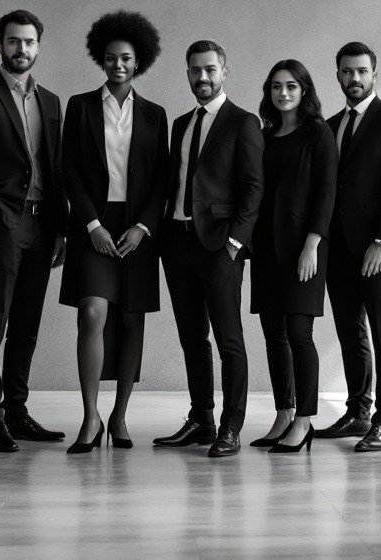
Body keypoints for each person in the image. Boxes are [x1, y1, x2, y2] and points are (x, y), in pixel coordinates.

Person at [59, 11, 170, 454]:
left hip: (138, 226)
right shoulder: (80, 106)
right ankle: (90, 418)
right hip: (93, 223)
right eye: (110, 58)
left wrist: (143, 227)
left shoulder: (155, 114)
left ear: (138, 60)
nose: (118, 65)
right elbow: (69, 169)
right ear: (100, 60)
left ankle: (120, 416)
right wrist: (91, 225)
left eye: (126, 58)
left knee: (130, 319)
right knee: (92, 312)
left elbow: (163, 178)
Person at [0, 9, 69, 452]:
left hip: (43, 224)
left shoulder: (51, 101)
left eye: (28, 42)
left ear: (38, 46)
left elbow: (55, 168)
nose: (21, 49)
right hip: (2, 222)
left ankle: (18, 410)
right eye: (13, 41)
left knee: (27, 324)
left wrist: (61, 227)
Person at [153, 40, 264, 458]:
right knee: (191, 338)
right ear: (187, 74)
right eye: (195, 70)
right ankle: (201, 419)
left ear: (224, 71)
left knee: (228, 339)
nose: (203, 77)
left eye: (210, 70)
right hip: (177, 242)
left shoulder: (243, 122)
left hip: (220, 245)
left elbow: (254, 188)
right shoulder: (181, 123)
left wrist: (236, 241)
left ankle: (230, 427)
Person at [314, 42, 381, 453]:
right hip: (336, 249)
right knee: (349, 331)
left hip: (377, 249)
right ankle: (358, 410)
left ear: (374, 73)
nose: (354, 79)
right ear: (337, 75)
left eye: (361, 71)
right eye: (346, 72)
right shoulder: (330, 124)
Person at [249, 59, 337, 454]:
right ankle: (284, 414)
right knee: (274, 335)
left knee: (300, 334)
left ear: (304, 91)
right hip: (267, 247)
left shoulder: (318, 133)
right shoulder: (265, 135)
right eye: (276, 87)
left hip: (305, 248)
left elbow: (326, 191)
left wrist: (312, 244)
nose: (283, 93)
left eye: (291, 86)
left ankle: (304, 420)